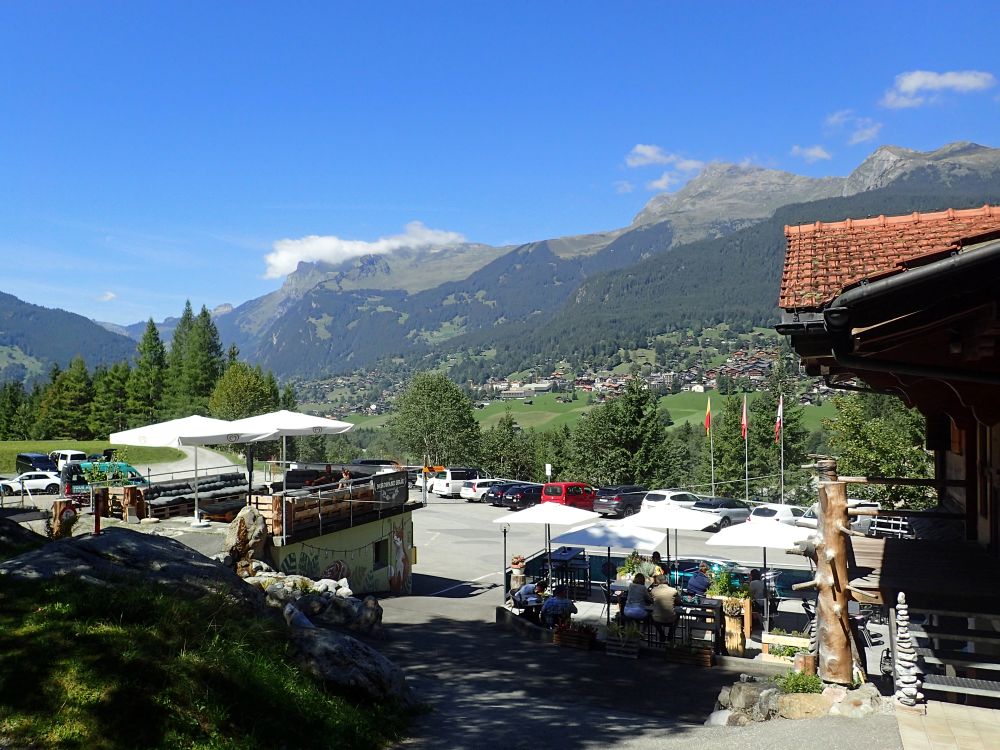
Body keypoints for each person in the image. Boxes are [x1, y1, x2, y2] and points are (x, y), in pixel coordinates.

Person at [650, 574, 679, 642]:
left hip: (657, 619)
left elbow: (651, 600)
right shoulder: (673, 590)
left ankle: (661, 634)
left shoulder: (653, 590)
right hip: (671, 618)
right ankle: (670, 634)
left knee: (651, 616)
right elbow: (679, 601)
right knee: (678, 616)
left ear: (657, 581)